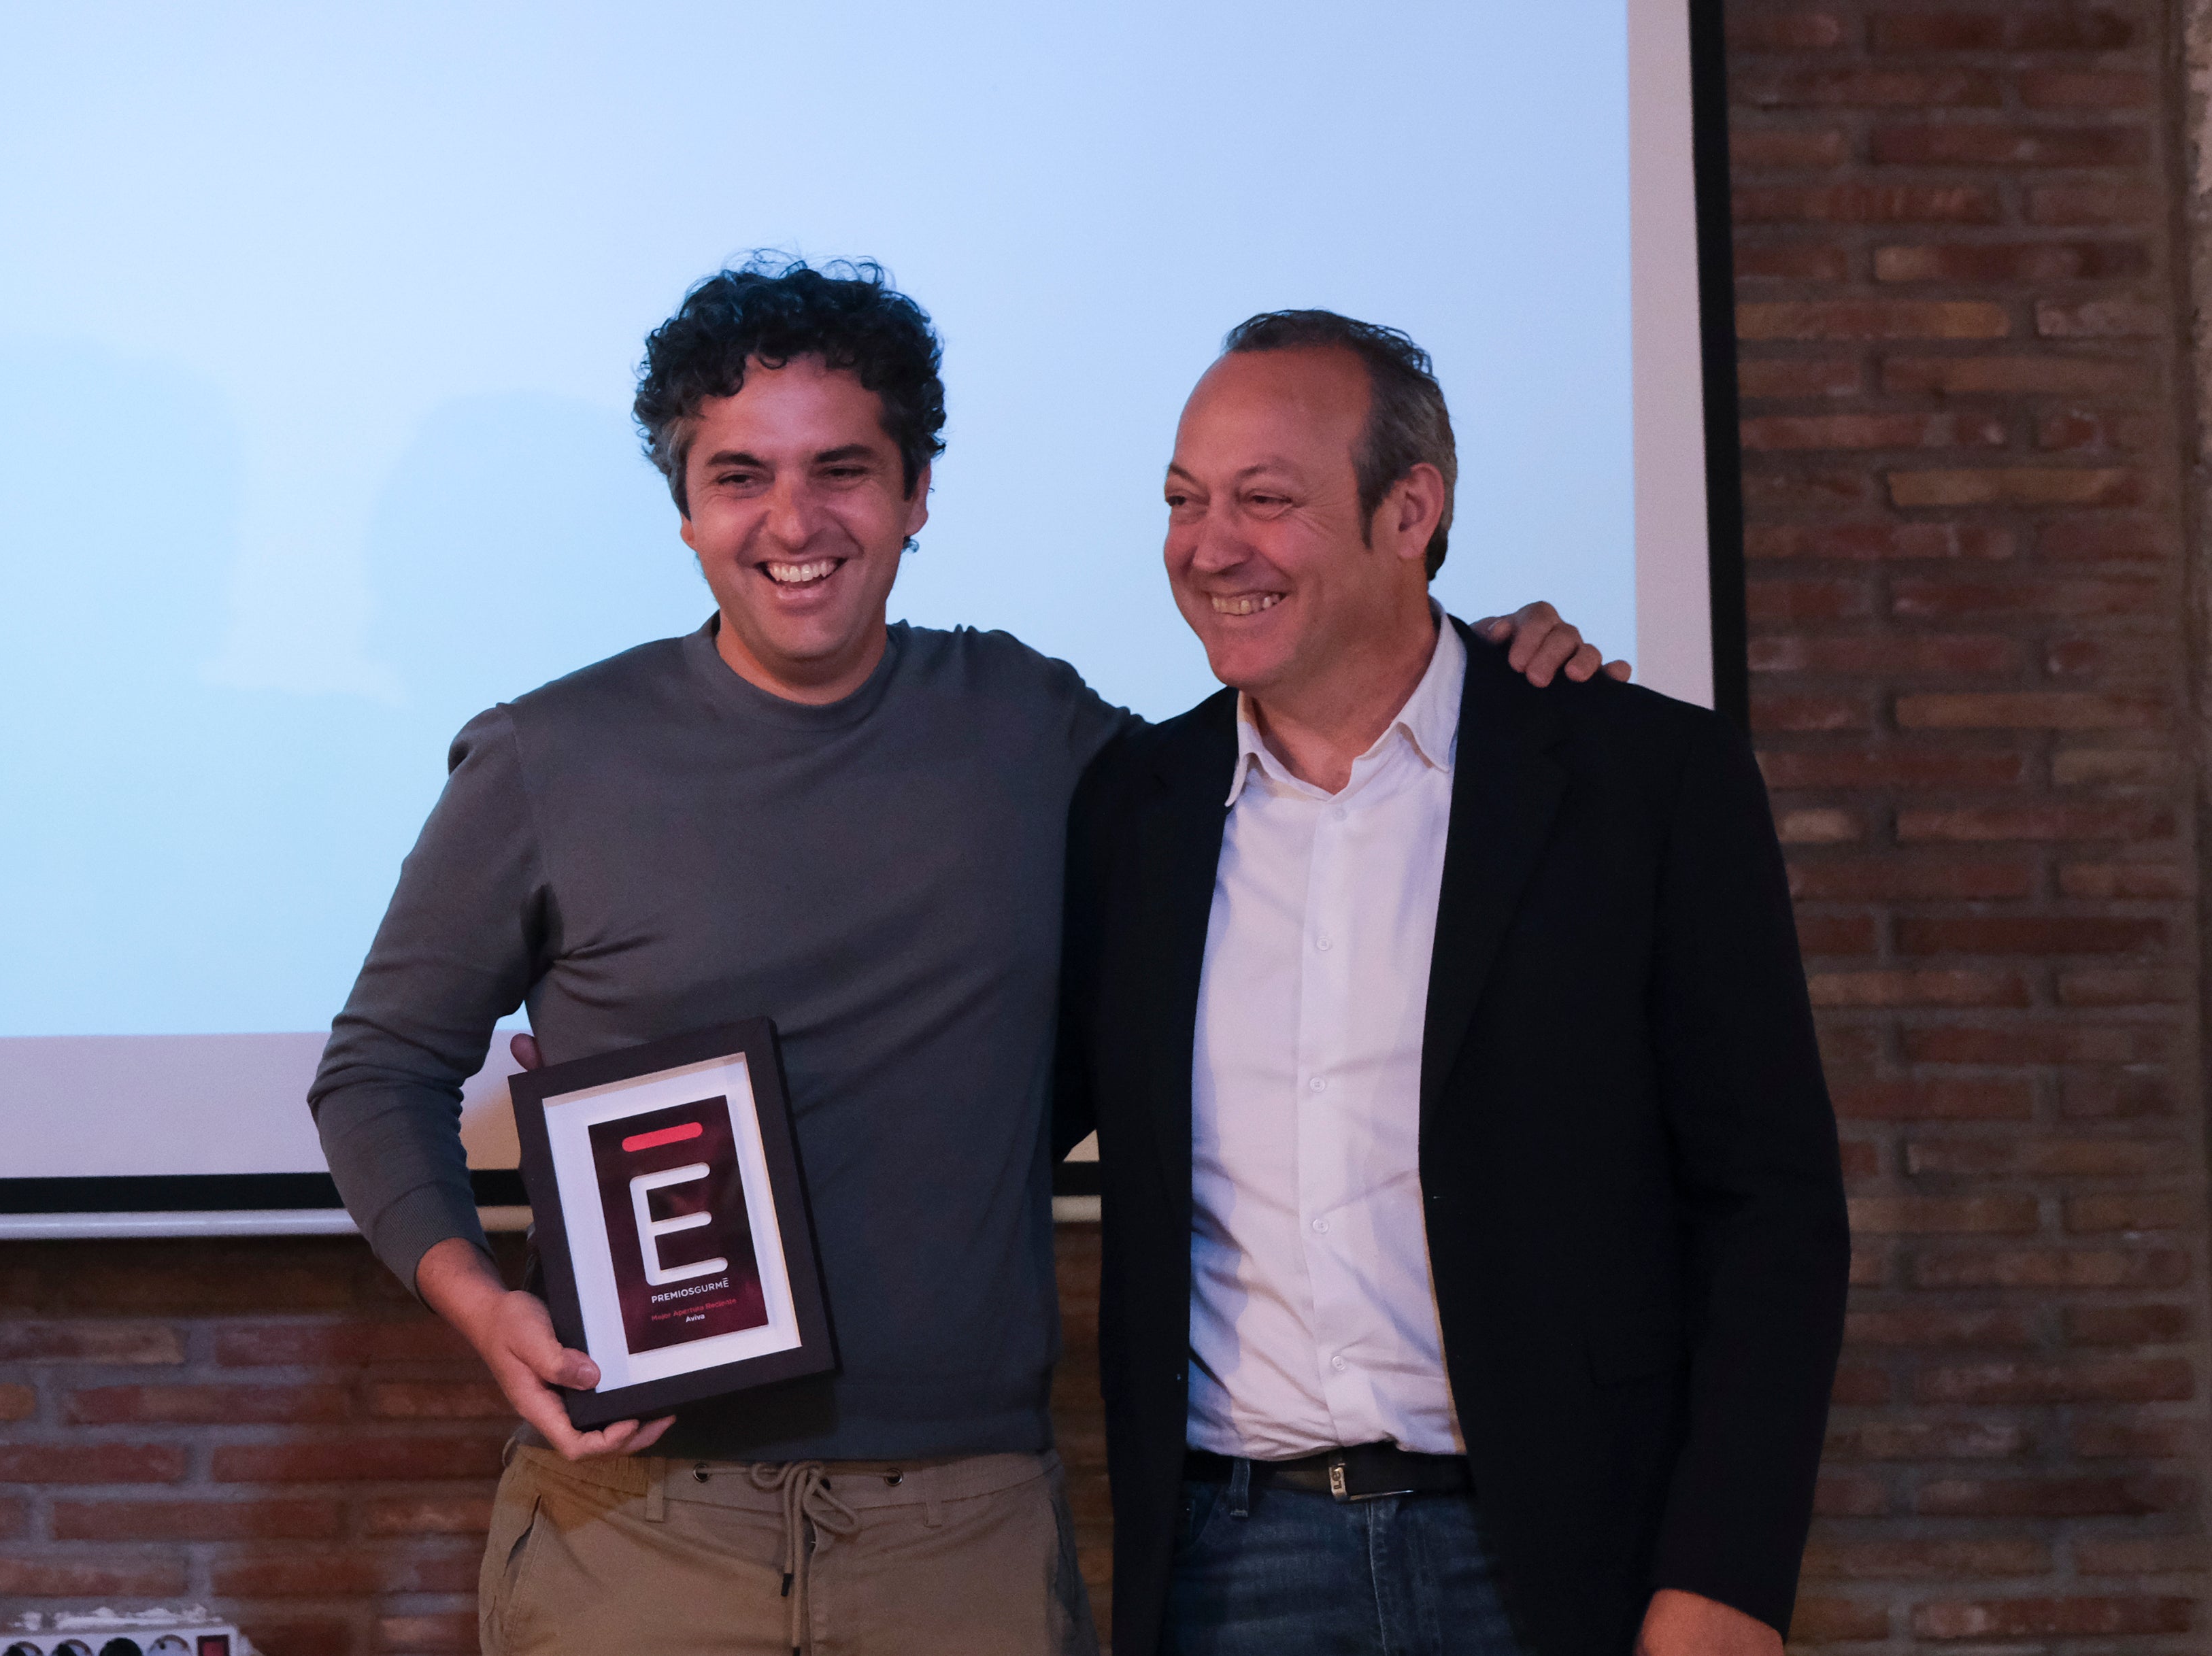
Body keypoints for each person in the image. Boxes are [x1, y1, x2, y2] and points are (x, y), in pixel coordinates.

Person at [309, 258, 1616, 1656]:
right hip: (634, 1526)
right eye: (738, 475)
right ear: (684, 508)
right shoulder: (545, 755)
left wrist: (1459, 657)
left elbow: (1289, 765)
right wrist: (482, 1304)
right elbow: (379, 1070)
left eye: (844, 471)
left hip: (962, 1535)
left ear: (916, 494)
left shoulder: (1032, 728)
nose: (793, 521)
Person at [1054, 310, 1849, 1656]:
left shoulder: (1641, 782)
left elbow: (1769, 1209)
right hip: (1229, 1571)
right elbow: (975, 1127)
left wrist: (1726, 1573)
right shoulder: (1128, 811)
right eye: (1185, 502)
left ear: (1407, 508)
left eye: (1264, 499)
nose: (1207, 547)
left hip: (1561, 1564)